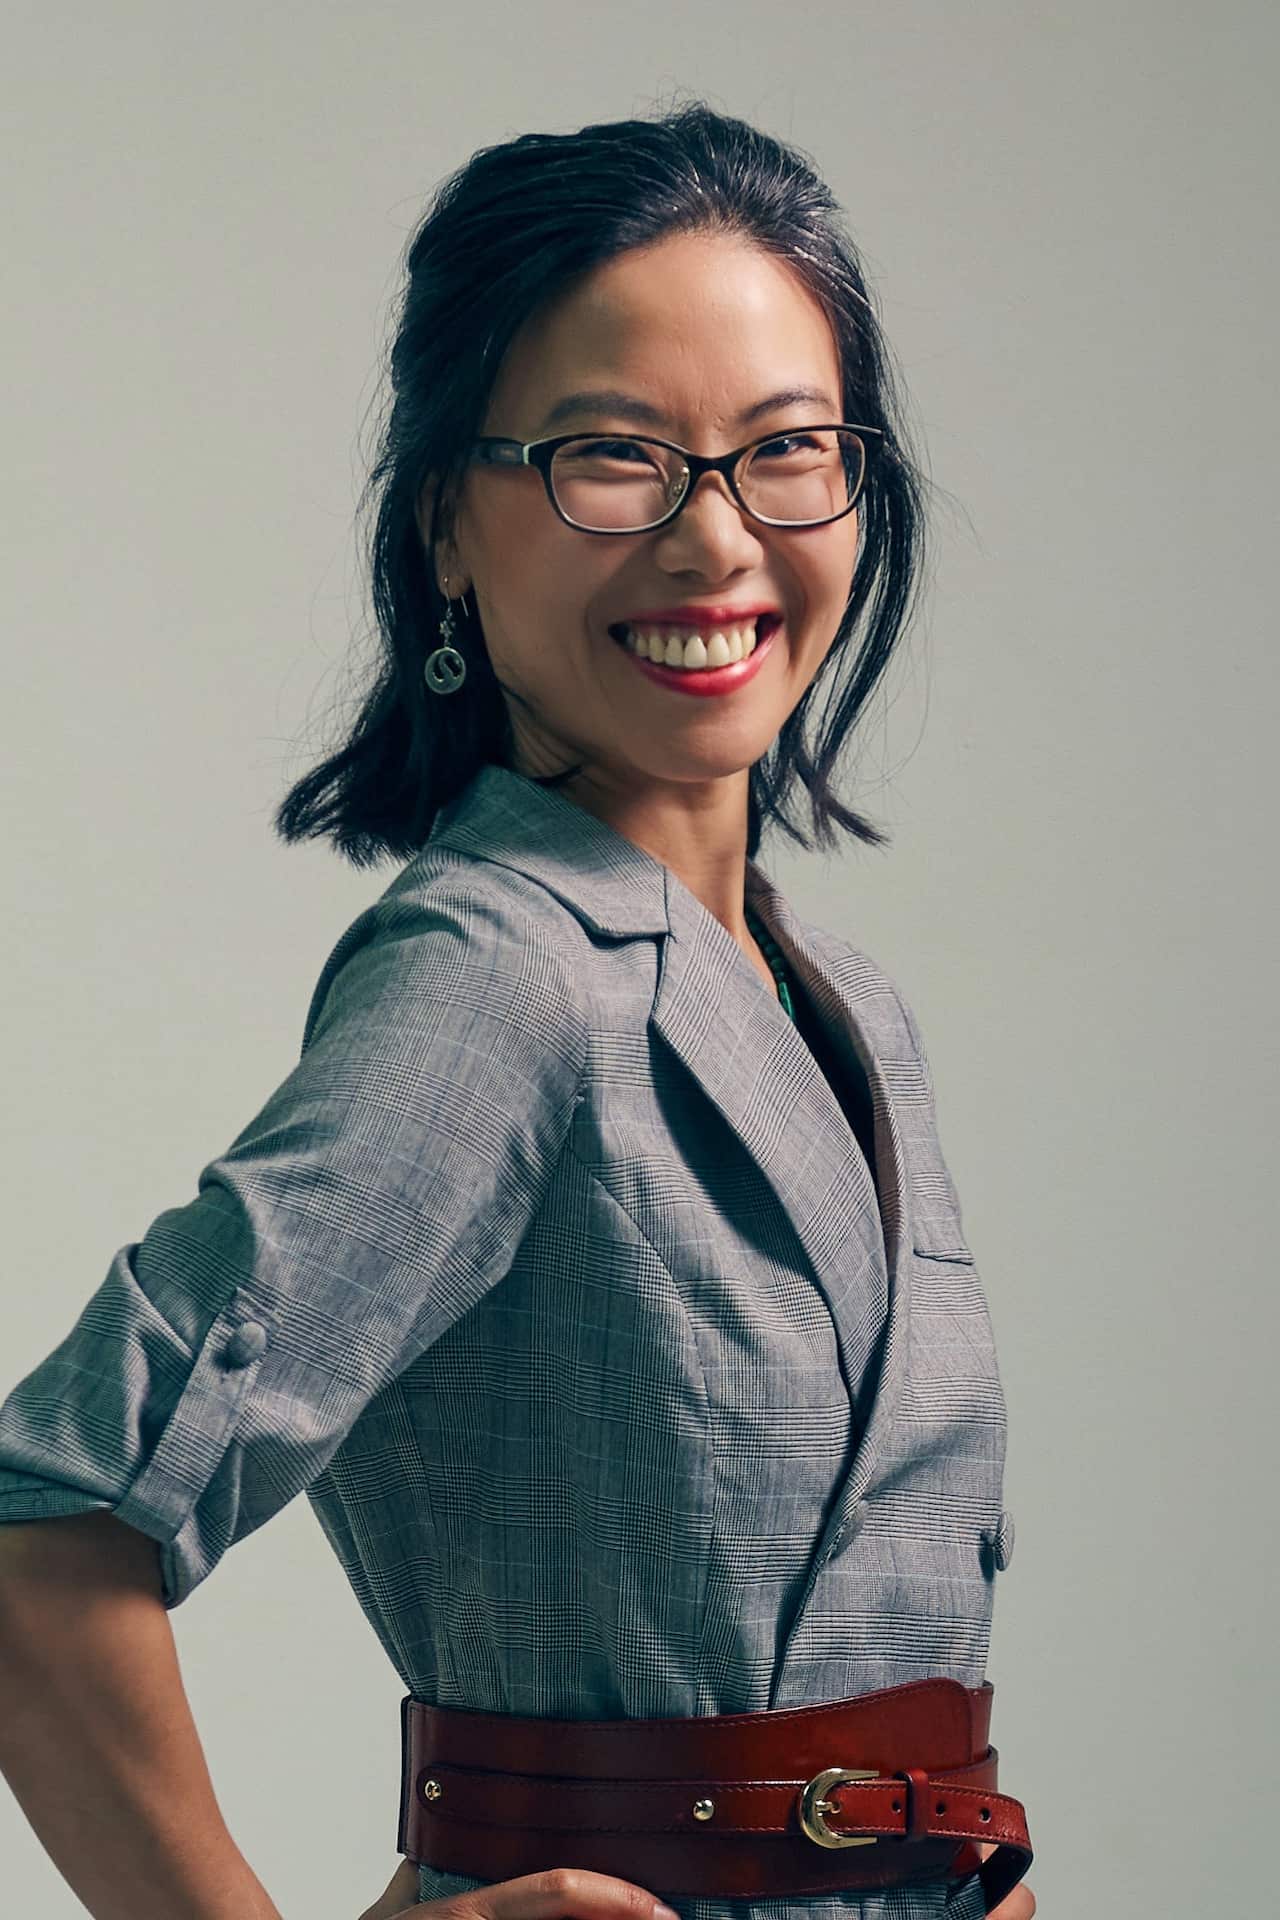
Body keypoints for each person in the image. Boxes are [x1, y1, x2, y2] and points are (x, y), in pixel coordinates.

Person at [0, 101, 1034, 1920]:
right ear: (446, 528)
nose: (716, 540)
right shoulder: (502, 972)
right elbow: (40, 1535)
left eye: (787, 451)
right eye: (611, 458)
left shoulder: (843, 1002)